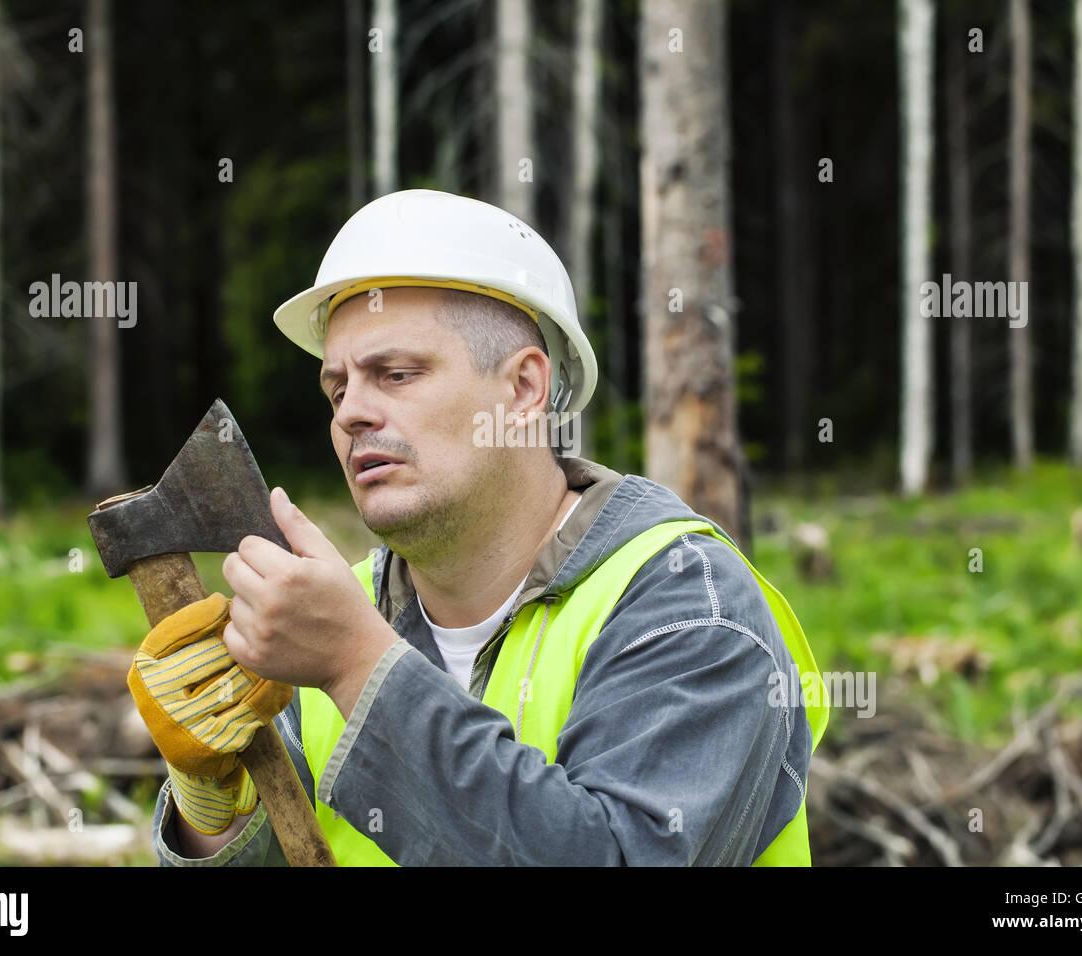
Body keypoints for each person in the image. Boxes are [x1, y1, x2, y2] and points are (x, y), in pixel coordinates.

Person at [133, 189, 828, 866]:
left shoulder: (687, 607)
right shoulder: (326, 615)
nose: (350, 414)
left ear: (523, 388)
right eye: (338, 388)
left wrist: (356, 668)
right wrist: (212, 809)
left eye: (397, 374)